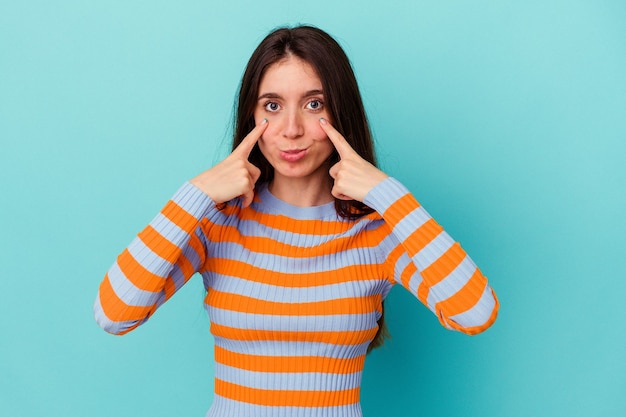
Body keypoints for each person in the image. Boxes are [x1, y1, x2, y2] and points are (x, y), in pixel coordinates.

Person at [94, 25, 499, 417]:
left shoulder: (378, 233)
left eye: (314, 104)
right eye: (272, 106)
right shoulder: (218, 223)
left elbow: (475, 312)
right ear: (251, 117)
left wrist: (388, 195)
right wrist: (194, 195)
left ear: (341, 112)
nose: (291, 130)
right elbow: (114, 313)